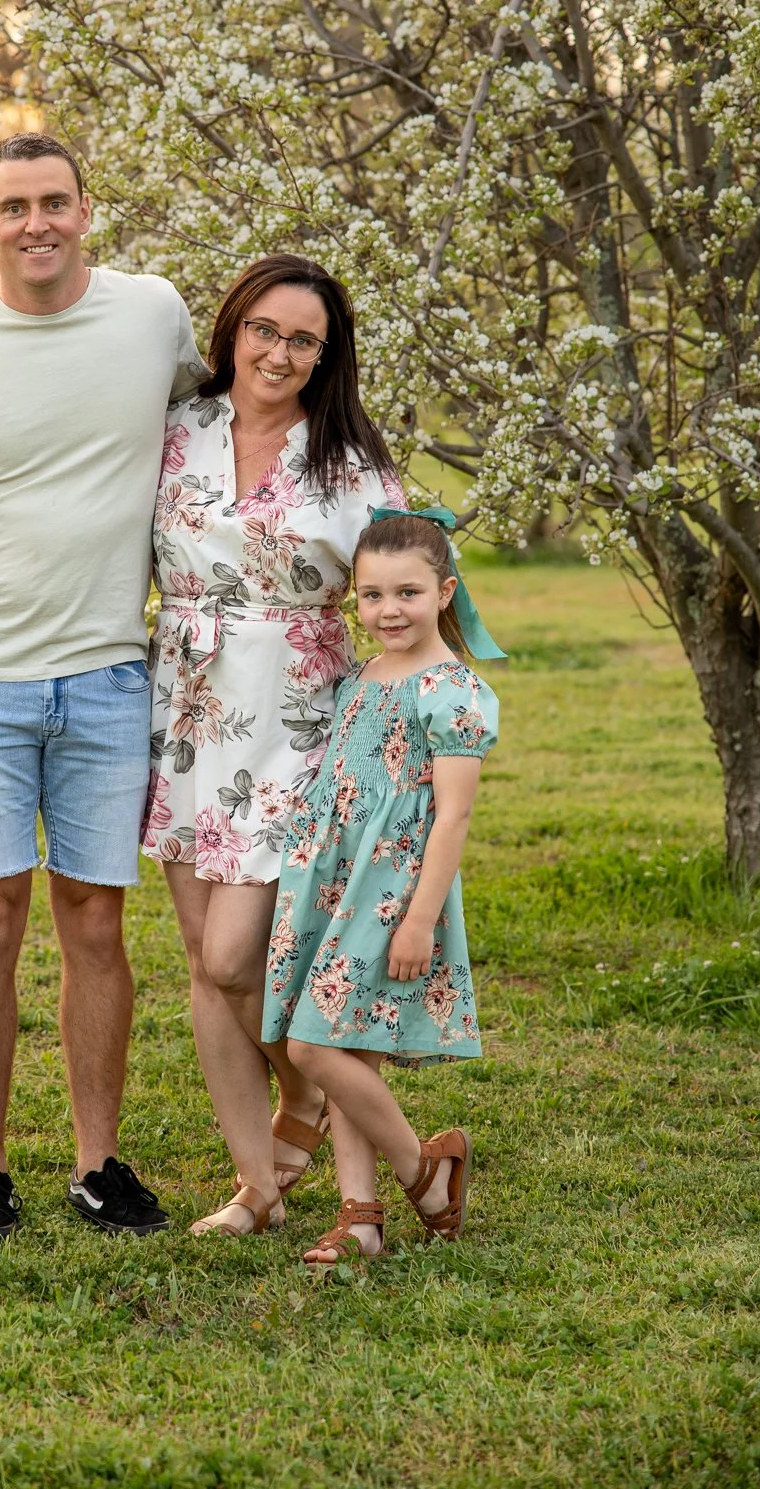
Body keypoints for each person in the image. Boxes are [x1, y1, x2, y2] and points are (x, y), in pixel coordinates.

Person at [0, 132, 205, 1245]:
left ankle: (97, 1161)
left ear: (86, 209)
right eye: (12, 205)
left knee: (94, 923)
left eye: (54, 202)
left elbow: (216, 431)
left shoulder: (152, 313)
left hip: (112, 671)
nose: (36, 223)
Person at [142, 254, 405, 1237]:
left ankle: (333, 1111)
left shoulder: (346, 463)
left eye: (303, 339)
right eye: (265, 328)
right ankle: (257, 1180)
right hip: (183, 715)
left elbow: (413, 587)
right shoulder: (179, 431)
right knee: (207, 968)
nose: (279, 351)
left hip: (297, 717)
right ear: (232, 328)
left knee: (234, 951)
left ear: (325, 357)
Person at [262, 508, 503, 1267]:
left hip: (393, 888)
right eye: (371, 596)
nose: (387, 610)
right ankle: (359, 1218)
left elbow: (453, 816)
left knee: (312, 1043)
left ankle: (424, 1171)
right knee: (349, 1047)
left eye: (406, 592)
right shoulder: (360, 677)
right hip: (332, 878)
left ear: (444, 592)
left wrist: (419, 918)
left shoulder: (452, 691)